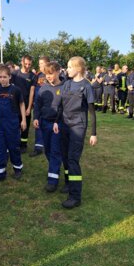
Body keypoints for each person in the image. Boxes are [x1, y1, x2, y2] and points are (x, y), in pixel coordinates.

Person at [53, 56, 97, 209]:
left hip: (78, 126)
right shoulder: (66, 84)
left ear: (78, 69)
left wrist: (93, 133)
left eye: (70, 67)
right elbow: (61, 106)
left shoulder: (86, 86)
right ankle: (69, 183)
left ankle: (75, 196)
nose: (67, 70)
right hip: (64, 125)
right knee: (65, 157)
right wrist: (56, 122)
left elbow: (92, 112)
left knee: (72, 159)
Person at [0, 65, 26, 183]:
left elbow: (21, 104)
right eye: (0, 77)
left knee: (14, 147)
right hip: (0, 124)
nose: (3, 79)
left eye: (5, 77)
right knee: (0, 148)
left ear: (10, 77)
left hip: (12, 124)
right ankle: (0, 173)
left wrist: (23, 119)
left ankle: (18, 169)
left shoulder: (16, 90)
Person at [33, 62, 64, 192]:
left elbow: (64, 107)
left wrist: (58, 120)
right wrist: (36, 117)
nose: (48, 76)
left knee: (56, 151)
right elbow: (38, 104)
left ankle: (52, 181)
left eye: (51, 74)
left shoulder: (64, 87)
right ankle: (55, 167)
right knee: (48, 150)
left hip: (58, 124)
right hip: (44, 123)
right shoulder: (43, 87)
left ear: (58, 72)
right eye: (46, 74)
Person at [11, 55, 36, 153]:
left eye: (29, 64)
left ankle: (23, 145)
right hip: (14, 105)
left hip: (26, 104)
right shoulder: (15, 74)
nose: (27, 66)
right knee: (14, 125)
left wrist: (29, 107)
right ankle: (14, 143)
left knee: (25, 126)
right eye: (25, 63)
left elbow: (32, 92)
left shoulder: (33, 76)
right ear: (22, 62)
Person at [30, 56, 50, 157]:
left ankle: (50, 145)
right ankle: (38, 148)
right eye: (39, 64)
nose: (39, 65)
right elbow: (33, 89)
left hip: (49, 107)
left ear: (47, 64)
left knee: (48, 126)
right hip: (38, 105)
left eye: (41, 63)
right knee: (38, 125)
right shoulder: (37, 75)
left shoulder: (52, 75)